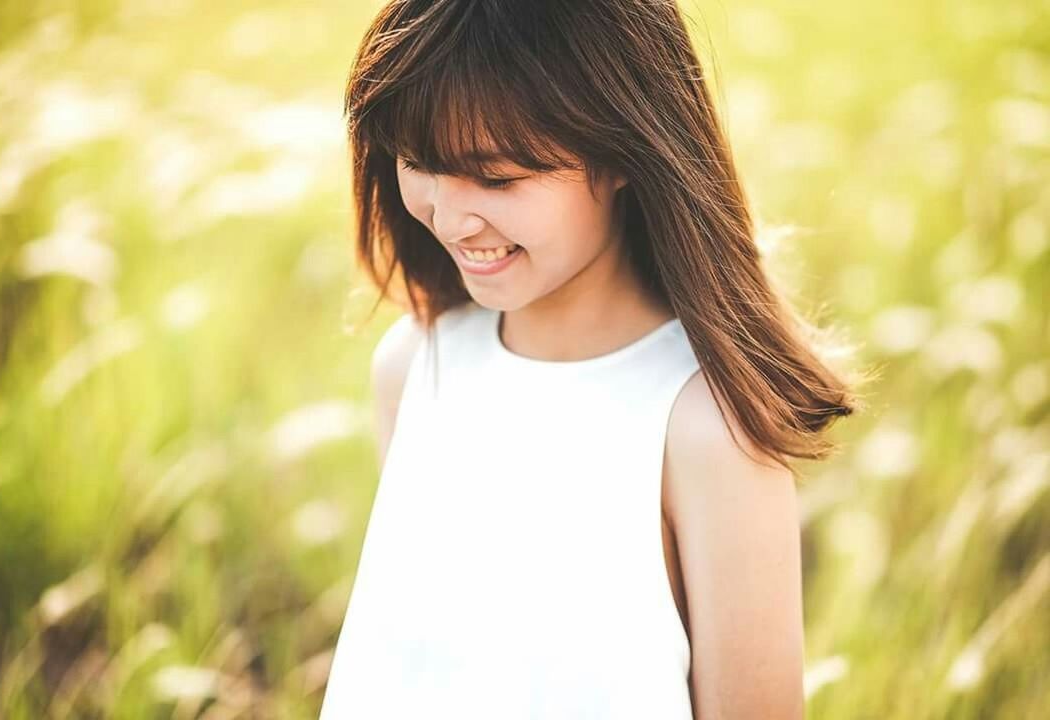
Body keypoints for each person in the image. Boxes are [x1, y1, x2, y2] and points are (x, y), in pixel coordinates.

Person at [319, 1, 863, 718]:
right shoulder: (414, 365)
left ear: (619, 156)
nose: (449, 219)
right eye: (418, 163)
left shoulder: (704, 427)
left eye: (496, 178)